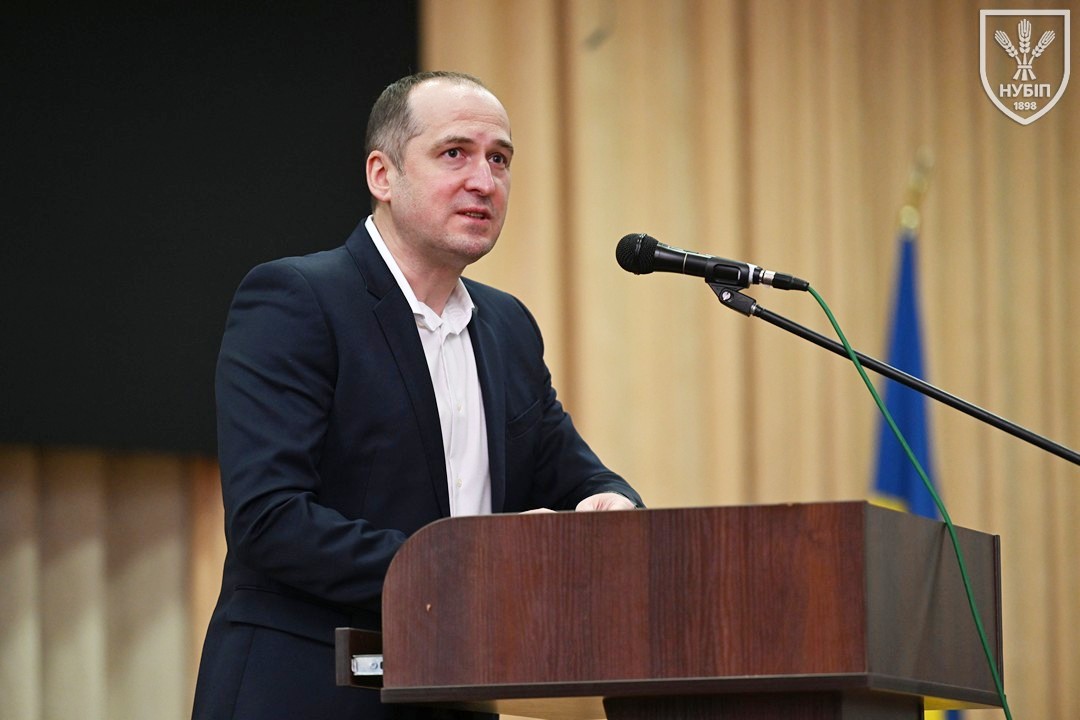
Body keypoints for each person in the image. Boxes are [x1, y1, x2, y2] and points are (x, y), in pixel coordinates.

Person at [191, 71, 642, 719]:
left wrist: (612, 509)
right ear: (383, 175)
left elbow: (576, 475)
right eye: (455, 153)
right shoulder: (298, 299)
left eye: (500, 159)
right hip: (310, 688)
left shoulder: (508, 326)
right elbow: (271, 520)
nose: (484, 180)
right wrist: (471, 568)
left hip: (456, 688)